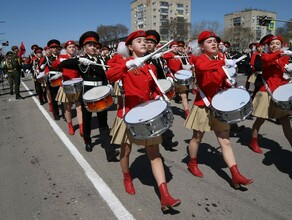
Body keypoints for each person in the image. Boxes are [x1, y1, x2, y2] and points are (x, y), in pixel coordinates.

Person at [106, 30, 181, 211]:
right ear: (130, 47)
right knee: (125, 152)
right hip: (128, 113)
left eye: (145, 41)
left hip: (147, 114)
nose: (144, 43)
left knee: (154, 154)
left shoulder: (150, 67)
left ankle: (165, 195)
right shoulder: (122, 63)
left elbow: (154, 88)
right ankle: (126, 177)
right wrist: (129, 65)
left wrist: (159, 96)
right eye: (139, 41)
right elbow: (111, 76)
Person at [185, 30, 253, 189]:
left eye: (215, 41)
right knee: (197, 138)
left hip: (220, 104)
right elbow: (203, 67)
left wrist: (229, 82)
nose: (214, 43)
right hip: (203, 104)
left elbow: (223, 80)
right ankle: (192, 162)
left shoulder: (222, 58)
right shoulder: (199, 59)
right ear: (201, 46)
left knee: (225, 141)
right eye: (209, 42)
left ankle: (235, 174)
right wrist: (224, 64)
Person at [60, 31, 119, 162]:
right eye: (90, 45)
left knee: (103, 121)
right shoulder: (81, 61)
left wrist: (108, 85)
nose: (93, 47)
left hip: (101, 92)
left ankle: (109, 150)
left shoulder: (102, 60)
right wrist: (78, 59)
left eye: (94, 45)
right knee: (86, 119)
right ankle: (87, 140)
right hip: (87, 93)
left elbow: (107, 74)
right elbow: (63, 65)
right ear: (84, 48)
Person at [248, 35, 292, 154]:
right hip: (266, 91)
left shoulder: (285, 58)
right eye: (272, 44)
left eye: (277, 44)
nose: (274, 46)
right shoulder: (264, 55)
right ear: (268, 45)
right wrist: (281, 53)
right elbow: (267, 60)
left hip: (279, 92)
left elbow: (285, 72)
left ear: (281, 45)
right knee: (260, 119)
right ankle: (253, 141)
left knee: (285, 122)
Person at [145, 29, 178, 150]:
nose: (149, 44)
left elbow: (166, 70)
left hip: (161, 89)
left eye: (151, 43)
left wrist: (169, 78)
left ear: (155, 45)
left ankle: (166, 140)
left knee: (165, 114)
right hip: (150, 91)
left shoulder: (160, 57)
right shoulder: (143, 58)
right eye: (147, 42)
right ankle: (157, 139)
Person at [52, 40, 83, 136]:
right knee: (67, 108)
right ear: (66, 49)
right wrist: (59, 61)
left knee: (79, 107)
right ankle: (70, 125)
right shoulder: (62, 57)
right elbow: (54, 65)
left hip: (77, 85)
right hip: (66, 85)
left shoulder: (79, 58)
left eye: (74, 47)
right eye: (70, 47)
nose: (72, 48)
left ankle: (82, 127)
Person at [163, 41, 190, 119]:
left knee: (184, 95)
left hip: (179, 78)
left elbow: (181, 68)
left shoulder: (180, 57)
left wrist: (187, 69)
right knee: (169, 97)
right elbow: (163, 56)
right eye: (173, 46)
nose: (175, 48)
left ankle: (186, 111)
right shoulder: (168, 55)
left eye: (176, 46)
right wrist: (172, 55)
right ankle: (166, 112)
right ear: (170, 48)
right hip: (170, 77)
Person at [39, 39, 63, 120]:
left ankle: (64, 113)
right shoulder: (47, 58)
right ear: (50, 49)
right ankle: (56, 113)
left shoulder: (62, 56)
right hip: (53, 78)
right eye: (53, 47)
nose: (55, 49)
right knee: (54, 97)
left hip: (62, 77)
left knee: (63, 97)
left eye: (56, 47)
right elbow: (41, 67)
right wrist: (45, 62)